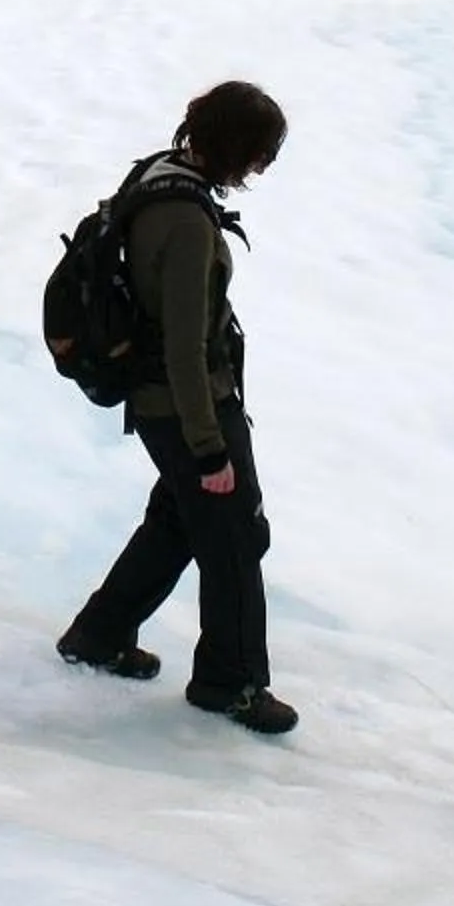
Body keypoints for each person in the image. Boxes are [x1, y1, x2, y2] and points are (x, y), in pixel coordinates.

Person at [58, 80, 298, 735]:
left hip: (160, 400)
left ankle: (100, 633)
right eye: (260, 155)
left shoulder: (157, 175)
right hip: (187, 405)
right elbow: (186, 350)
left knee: (181, 520)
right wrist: (210, 449)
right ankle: (231, 682)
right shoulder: (188, 224)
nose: (260, 169)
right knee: (234, 536)